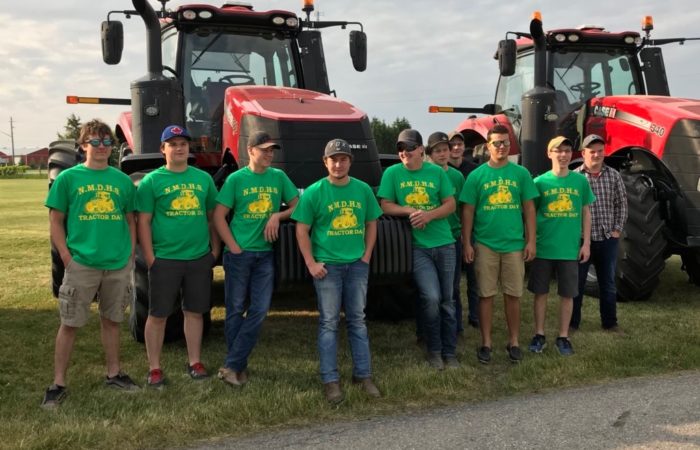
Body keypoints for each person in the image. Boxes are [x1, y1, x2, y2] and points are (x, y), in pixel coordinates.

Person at [42, 119, 139, 408]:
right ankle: (58, 383)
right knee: (70, 323)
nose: (101, 147)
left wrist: (129, 254)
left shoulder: (122, 180)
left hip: (116, 263)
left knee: (112, 321)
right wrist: (66, 257)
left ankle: (114, 373)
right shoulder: (68, 179)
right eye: (94, 142)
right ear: (83, 146)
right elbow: (55, 221)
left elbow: (130, 219)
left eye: (106, 142)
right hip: (82, 262)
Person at [292, 138, 382, 403]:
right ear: (325, 162)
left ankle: (363, 375)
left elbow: (372, 223)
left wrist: (366, 255)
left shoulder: (362, 190)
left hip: (356, 265)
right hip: (327, 267)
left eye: (343, 159)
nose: (338, 164)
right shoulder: (314, 192)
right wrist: (311, 263)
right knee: (329, 323)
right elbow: (301, 229)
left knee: (357, 320)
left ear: (350, 162)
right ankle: (330, 380)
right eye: (334, 159)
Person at [136, 125, 219, 388]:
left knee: (194, 312)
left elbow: (212, 218)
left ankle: (195, 362)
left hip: (198, 257)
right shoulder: (152, 181)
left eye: (183, 143)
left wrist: (215, 250)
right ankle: (154, 367)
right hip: (165, 258)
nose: (179, 148)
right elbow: (143, 222)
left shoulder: (203, 179)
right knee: (158, 315)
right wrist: (150, 257)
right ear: (163, 149)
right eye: (173, 144)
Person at [214, 131, 298, 387]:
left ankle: (232, 365)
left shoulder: (279, 177)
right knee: (235, 310)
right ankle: (237, 367)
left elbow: (298, 205)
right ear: (251, 151)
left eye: (272, 150)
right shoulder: (236, 179)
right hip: (239, 255)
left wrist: (277, 216)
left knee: (259, 311)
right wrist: (233, 247)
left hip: (265, 255)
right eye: (265, 150)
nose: (270, 154)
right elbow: (218, 216)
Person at [378, 129, 458, 370]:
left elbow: (451, 204)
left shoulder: (436, 172)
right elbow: (385, 205)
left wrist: (429, 215)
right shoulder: (392, 173)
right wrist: (410, 211)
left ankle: (450, 352)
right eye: (401, 149)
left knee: (448, 300)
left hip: (445, 244)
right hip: (417, 248)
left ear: (421, 150)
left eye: (410, 148)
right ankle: (434, 350)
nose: (404, 153)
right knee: (431, 298)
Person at [459, 124, 538, 364]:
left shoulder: (521, 174)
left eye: (505, 142)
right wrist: (467, 243)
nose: (501, 147)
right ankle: (486, 343)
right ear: (488, 146)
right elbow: (468, 211)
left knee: (513, 294)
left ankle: (513, 342)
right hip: (485, 244)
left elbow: (529, 209)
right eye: (497, 143)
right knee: (486, 295)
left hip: (514, 244)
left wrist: (531, 241)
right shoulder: (477, 176)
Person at [527, 136, 595, 356]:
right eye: (559, 151)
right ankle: (539, 334)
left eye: (567, 151)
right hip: (544, 247)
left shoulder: (580, 181)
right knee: (540, 293)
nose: (564, 155)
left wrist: (586, 243)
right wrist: (530, 241)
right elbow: (530, 214)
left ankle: (563, 336)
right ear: (550, 154)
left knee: (567, 294)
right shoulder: (539, 182)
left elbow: (586, 212)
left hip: (569, 248)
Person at [571, 134, 628, 332]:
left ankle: (610, 323)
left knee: (608, 283)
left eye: (600, 151)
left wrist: (616, 230)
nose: (596, 155)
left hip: (606, 238)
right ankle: (573, 323)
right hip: (581, 240)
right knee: (577, 284)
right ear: (583, 153)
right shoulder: (575, 177)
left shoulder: (614, 176)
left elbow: (622, 204)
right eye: (592, 151)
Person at [426, 132, 467, 340]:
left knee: (453, 287)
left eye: (445, 150)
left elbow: (461, 207)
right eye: (438, 151)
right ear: (430, 154)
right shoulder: (424, 175)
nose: (442, 154)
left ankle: (456, 327)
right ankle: (428, 330)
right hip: (429, 238)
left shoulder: (457, 176)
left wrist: (463, 234)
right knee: (430, 290)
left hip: (453, 236)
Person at [447, 131, 480, 330]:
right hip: (450, 231)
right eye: (452, 144)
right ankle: (456, 320)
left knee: (474, 276)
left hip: (472, 229)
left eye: (459, 144)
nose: (456, 148)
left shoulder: (473, 170)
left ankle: (475, 315)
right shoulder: (442, 170)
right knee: (453, 281)